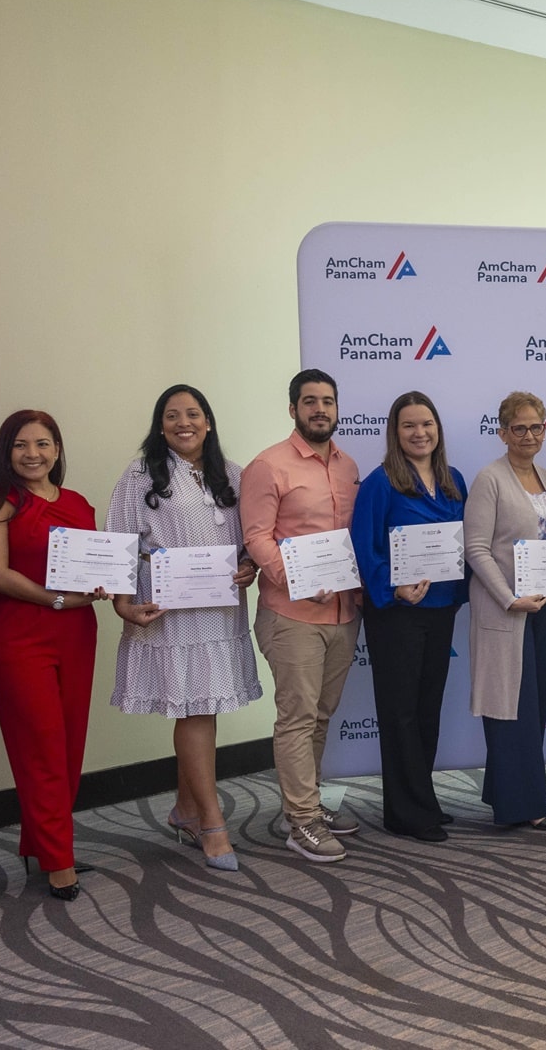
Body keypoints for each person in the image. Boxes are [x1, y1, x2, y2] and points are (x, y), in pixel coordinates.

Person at [108, 385, 262, 872]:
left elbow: (250, 539)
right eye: (172, 416)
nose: (183, 423)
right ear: (160, 426)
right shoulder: (139, 475)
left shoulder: (234, 474)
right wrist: (122, 603)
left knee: (203, 708)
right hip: (168, 609)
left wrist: (249, 566)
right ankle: (212, 823)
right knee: (195, 711)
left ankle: (187, 809)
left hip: (219, 609)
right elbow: (119, 540)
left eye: (193, 414)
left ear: (208, 421)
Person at [0, 410, 106, 901]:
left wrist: (101, 585)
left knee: (68, 746)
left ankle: (42, 845)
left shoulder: (77, 503)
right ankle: (58, 860)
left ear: (57, 449)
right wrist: (57, 599)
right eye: (21, 445)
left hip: (76, 632)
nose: (33, 454)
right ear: (5, 452)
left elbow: (93, 565)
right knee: (41, 747)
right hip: (20, 636)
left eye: (43, 444)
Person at [241, 369, 363, 863]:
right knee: (297, 718)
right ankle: (302, 822)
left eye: (327, 401)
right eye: (309, 401)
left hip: (344, 612)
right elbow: (256, 536)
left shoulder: (348, 465)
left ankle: (308, 803)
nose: (320, 409)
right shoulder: (268, 465)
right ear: (293, 409)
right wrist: (296, 580)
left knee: (320, 716)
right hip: (291, 615)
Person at [348, 391, 467, 843]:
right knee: (400, 712)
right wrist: (393, 587)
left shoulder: (453, 479)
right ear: (395, 433)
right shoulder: (381, 483)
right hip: (397, 613)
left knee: (427, 709)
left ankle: (423, 800)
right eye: (409, 426)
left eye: (427, 424)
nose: (420, 433)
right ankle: (405, 813)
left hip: (441, 608)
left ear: (438, 429)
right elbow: (364, 547)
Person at [464, 391, 546, 831]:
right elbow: (476, 549)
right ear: (503, 433)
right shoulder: (489, 479)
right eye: (519, 428)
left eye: (536, 427)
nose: (529, 435)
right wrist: (509, 598)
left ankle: (506, 792)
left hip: (545, 608)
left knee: (531, 704)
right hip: (505, 609)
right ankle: (527, 806)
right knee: (511, 707)